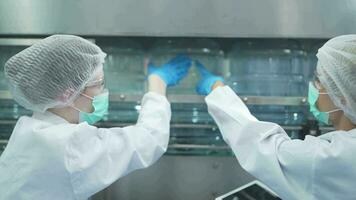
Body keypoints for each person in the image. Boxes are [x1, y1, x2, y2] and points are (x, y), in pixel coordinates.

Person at [0, 35, 192, 200]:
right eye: (99, 83)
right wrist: (158, 83)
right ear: (67, 94)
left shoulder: (29, 129)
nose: (104, 91)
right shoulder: (69, 144)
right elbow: (149, 139)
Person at [195, 35, 356, 199]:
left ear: (343, 96)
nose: (314, 86)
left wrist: (216, 89)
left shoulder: (332, 157)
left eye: (319, 80)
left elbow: (259, 146)